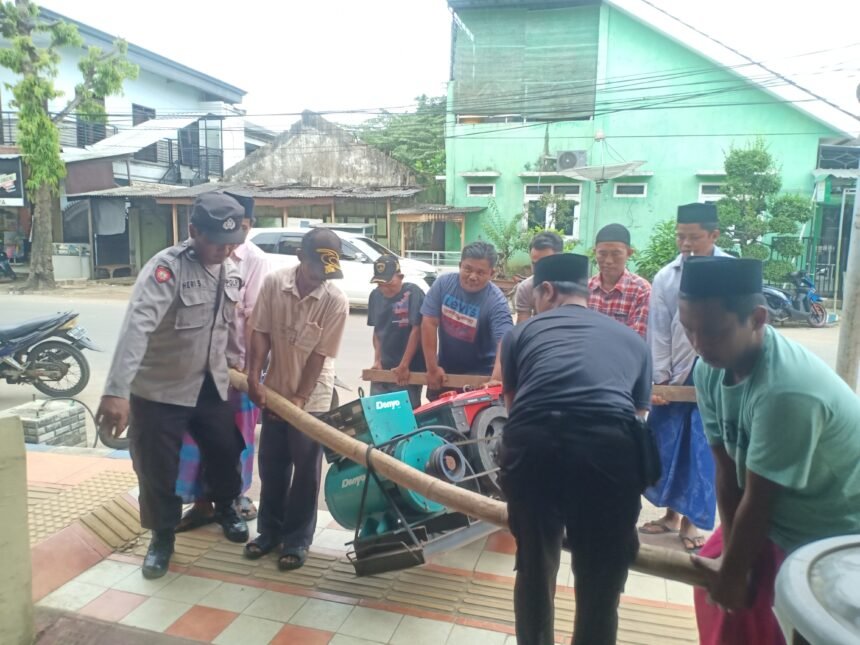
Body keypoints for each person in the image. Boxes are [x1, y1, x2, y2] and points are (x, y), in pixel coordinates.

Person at [676, 257, 860, 645]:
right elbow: (726, 470)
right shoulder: (710, 367)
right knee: (718, 596)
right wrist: (730, 559)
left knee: (766, 621)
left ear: (758, 318)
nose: (698, 344)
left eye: (712, 332)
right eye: (688, 329)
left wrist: (737, 572)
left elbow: (760, 500)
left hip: (828, 535)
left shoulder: (788, 390)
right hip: (772, 516)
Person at [499, 253, 652, 645]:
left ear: (546, 291)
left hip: (534, 448)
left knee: (535, 567)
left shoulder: (520, 334)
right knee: (600, 584)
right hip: (609, 453)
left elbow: (515, 409)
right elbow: (637, 417)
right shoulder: (633, 341)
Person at [97, 191, 250, 579]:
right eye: (216, 240)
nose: (224, 249)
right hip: (160, 390)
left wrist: (240, 366)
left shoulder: (230, 268)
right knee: (156, 468)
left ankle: (226, 508)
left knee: (225, 450)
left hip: (211, 385)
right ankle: (162, 537)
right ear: (193, 230)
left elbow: (230, 326)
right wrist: (116, 391)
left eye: (231, 242)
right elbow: (137, 327)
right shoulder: (166, 269)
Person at [244, 227, 349, 571]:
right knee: (272, 463)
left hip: (313, 395)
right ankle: (269, 532)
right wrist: (254, 378)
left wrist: (301, 400)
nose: (321, 279)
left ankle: (297, 540)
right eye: (316, 269)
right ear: (300, 258)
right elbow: (260, 333)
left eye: (327, 273)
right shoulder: (275, 283)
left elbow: (318, 357)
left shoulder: (335, 301)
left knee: (305, 469)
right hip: (274, 388)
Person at [175, 194, 270, 531]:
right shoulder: (184, 258)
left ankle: (231, 501)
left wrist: (249, 371)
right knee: (194, 440)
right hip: (194, 372)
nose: (232, 242)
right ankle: (201, 504)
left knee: (236, 441)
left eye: (241, 229)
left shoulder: (254, 260)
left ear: (249, 225)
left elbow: (254, 319)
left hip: (238, 371)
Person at [641, 202, 731, 552]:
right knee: (668, 444)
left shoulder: (729, 271)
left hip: (714, 371)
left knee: (701, 448)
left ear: (714, 235)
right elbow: (658, 332)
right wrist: (660, 379)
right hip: (675, 372)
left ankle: (693, 522)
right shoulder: (666, 277)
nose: (686, 243)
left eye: (694, 237)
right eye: (681, 236)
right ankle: (670, 515)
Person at [421, 241, 513, 399]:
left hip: (481, 377)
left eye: (480, 272)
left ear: (492, 273)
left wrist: (496, 379)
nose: (472, 277)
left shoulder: (496, 302)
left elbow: (505, 341)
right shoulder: (443, 284)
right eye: (467, 269)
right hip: (445, 372)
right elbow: (429, 322)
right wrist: (432, 368)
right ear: (459, 265)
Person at [367, 254, 425, 408]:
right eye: (380, 284)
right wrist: (377, 361)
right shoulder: (375, 296)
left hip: (409, 370)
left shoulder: (413, 293)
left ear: (400, 276)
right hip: (384, 368)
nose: (384, 288)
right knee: (377, 412)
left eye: (389, 283)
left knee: (406, 414)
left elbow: (417, 330)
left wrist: (404, 365)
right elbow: (377, 331)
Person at [588, 223, 650, 338]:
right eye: (602, 254)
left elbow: (637, 339)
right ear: (594, 252)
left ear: (629, 253)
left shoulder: (641, 291)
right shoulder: (585, 288)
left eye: (616, 254)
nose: (608, 261)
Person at [514, 231, 564, 324]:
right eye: (535, 264)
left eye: (545, 263)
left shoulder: (575, 288)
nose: (539, 269)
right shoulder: (526, 288)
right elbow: (522, 328)